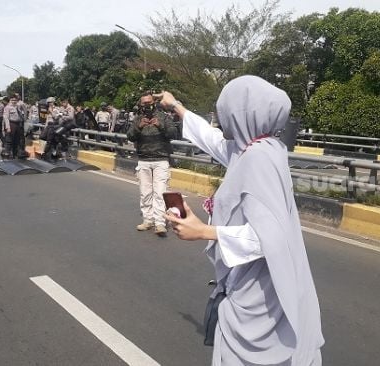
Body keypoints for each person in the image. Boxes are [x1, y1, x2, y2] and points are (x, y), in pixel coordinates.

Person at [159, 76, 324, 366]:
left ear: (244, 113)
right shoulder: (261, 148)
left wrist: (204, 231)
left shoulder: (257, 159)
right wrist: (177, 106)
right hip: (256, 278)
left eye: (227, 112)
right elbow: (209, 139)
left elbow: (269, 238)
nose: (223, 121)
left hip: (258, 291)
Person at [127, 91, 177, 237]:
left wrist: (160, 125)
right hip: (143, 160)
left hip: (161, 159)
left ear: (154, 103)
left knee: (160, 192)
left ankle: (160, 223)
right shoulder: (137, 119)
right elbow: (130, 136)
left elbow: (173, 133)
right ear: (140, 104)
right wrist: (139, 127)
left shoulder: (164, 117)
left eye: (149, 103)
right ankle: (148, 220)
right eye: (144, 103)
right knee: (145, 192)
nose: (147, 106)